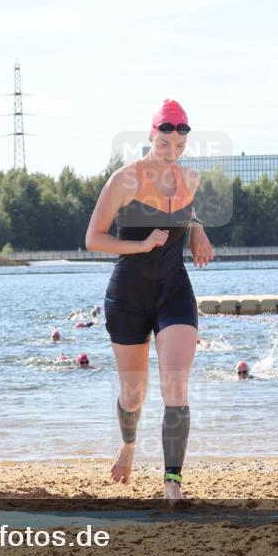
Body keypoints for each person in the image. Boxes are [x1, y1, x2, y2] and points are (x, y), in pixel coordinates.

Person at [84, 99, 214, 500]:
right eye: (164, 142)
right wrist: (141, 245)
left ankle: (172, 484)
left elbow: (186, 212)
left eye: (178, 144)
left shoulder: (190, 180)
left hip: (174, 290)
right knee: (134, 393)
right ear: (151, 136)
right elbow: (93, 239)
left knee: (176, 386)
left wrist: (197, 228)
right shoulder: (125, 180)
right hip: (129, 295)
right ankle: (128, 445)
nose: (171, 151)